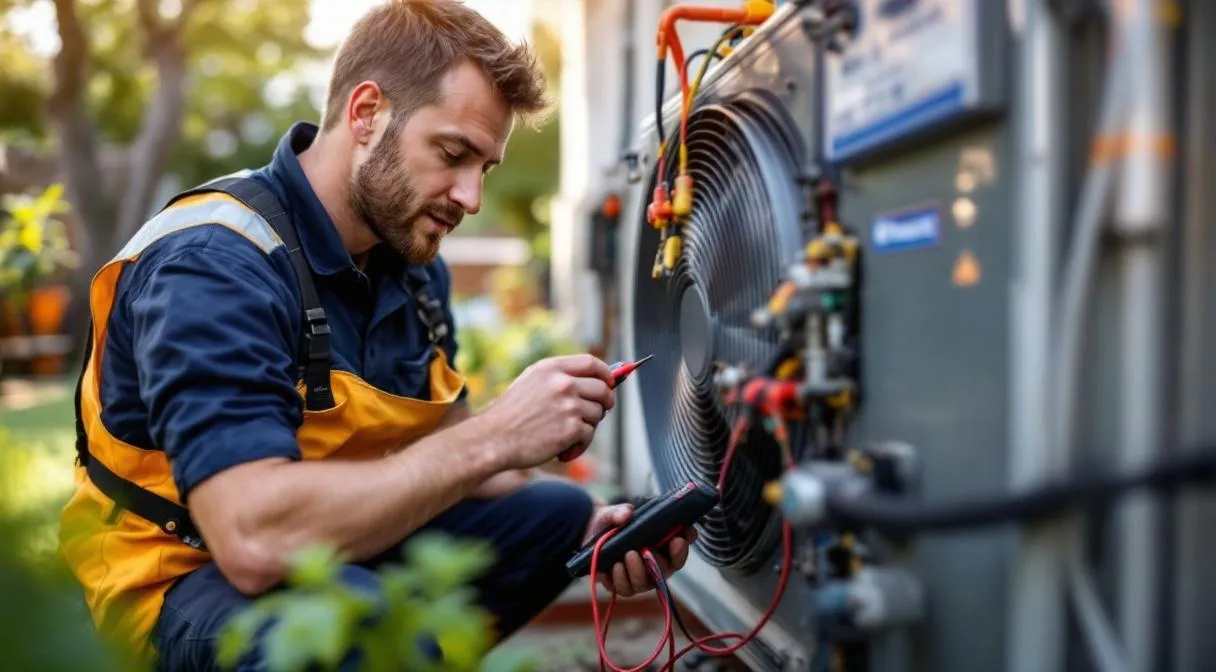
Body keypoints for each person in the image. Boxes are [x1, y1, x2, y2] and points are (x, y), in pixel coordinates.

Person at [57, 1, 697, 669]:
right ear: (366, 113)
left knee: (555, 515)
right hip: (182, 580)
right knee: (352, 619)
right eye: (453, 153)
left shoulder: (412, 268)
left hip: (327, 547)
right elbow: (250, 539)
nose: (471, 196)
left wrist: (598, 531)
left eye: (486, 168)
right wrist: (501, 431)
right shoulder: (214, 265)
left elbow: (451, 458)